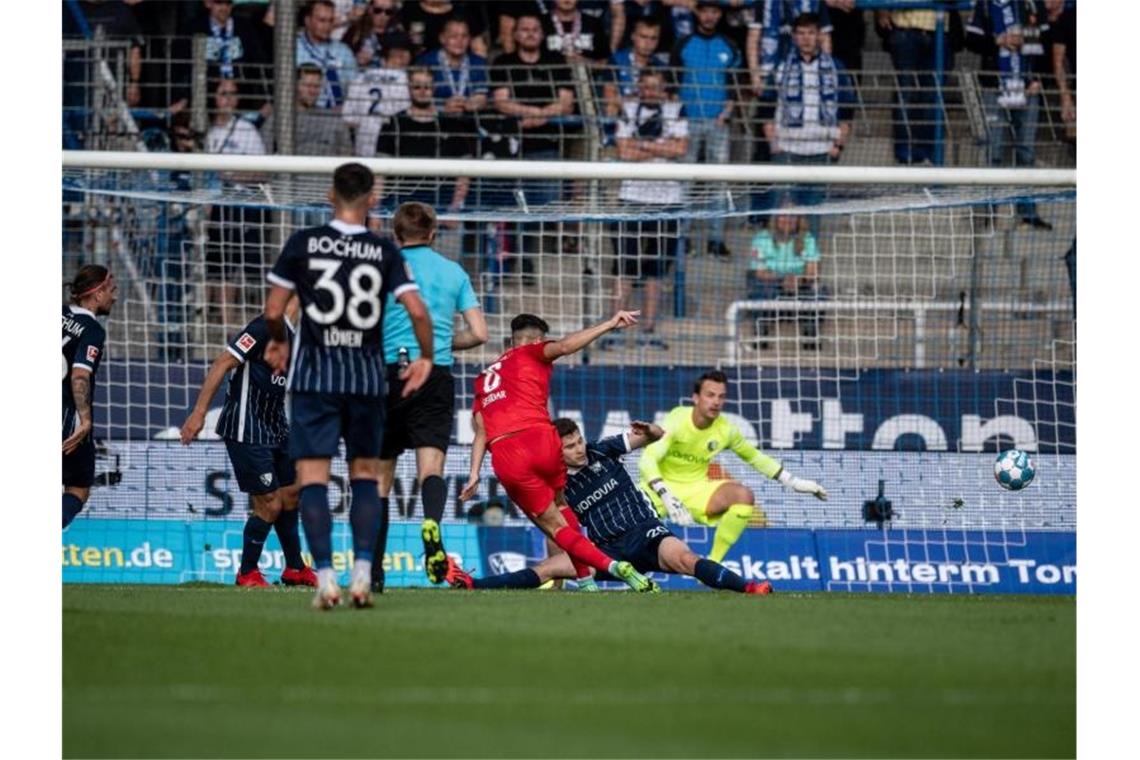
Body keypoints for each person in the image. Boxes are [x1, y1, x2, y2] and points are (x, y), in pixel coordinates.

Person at [262, 162, 435, 610]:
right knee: (365, 476)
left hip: (315, 379)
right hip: (364, 380)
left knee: (313, 478)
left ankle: (325, 579)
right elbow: (417, 311)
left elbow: (273, 312)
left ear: (329, 194)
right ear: (373, 197)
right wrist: (427, 359)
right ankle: (362, 573)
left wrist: (279, 343)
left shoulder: (303, 244)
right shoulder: (384, 251)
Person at [446, 419, 774, 594]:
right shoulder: (558, 485)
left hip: (646, 533)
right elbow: (555, 529)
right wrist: (563, 575)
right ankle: (472, 584)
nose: (579, 449)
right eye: (571, 447)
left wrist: (652, 431)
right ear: (557, 454)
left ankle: (748, 587)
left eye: (579, 441)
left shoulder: (603, 450)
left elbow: (654, 437)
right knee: (548, 568)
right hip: (606, 552)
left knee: (687, 558)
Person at [459, 312, 661, 593]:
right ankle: (587, 581)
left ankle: (613, 567)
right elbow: (566, 346)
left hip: (508, 451)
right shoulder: (533, 352)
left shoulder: (483, 379)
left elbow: (481, 431)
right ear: (539, 339)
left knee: (554, 528)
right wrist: (609, 323)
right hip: (544, 440)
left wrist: (473, 474)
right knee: (563, 509)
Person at [371, 202, 488, 592]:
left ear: (395, 234)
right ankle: (432, 523)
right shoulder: (453, 272)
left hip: (388, 373)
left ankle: (373, 571)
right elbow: (480, 333)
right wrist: (441, 343)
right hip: (434, 372)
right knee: (431, 470)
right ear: (434, 233)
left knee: (380, 479)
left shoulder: (382, 268)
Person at [179, 301, 318, 588]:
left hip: (277, 426)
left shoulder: (297, 334)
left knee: (290, 495)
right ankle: (247, 572)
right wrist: (198, 413)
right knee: (269, 503)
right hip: (247, 427)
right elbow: (223, 362)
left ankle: (294, 567)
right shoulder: (265, 326)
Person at [639, 370, 828, 563]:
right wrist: (665, 493)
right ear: (696, 398)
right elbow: (648, 459)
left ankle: (713, 563)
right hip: (657, 489)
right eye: (710, 395)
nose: (716, 402)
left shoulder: (725, 430)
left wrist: (793, 482)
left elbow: (754, 457)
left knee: (743, 496)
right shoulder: (677, 420)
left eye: (721, 396)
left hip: (697, 490)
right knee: (630, 533)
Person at [604, 67, 688, 351]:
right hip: (632, 198)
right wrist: (659, 148)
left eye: (656, 87)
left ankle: (649, 330)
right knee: (624, 266)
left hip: (668, 199)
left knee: (656, 270)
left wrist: (643, 148)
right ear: (640, 87)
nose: (651, 91)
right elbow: (623, 151)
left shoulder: (676, 109)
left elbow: (681, 149)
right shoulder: (628, 108)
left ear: (665, 89)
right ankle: (614, 329)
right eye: (646, 86)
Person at [763, 12, 854, 236]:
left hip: (821, 151)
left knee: (813, 216)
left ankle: (809, 270)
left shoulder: (836, 68)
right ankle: (778, 268)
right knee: (780, 214)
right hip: (787, 150)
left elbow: (847, 112)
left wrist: (837, 146)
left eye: (811, 33)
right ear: (793, 36)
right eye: (801, 33)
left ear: (819, 36)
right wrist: (774, 144)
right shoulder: (780, 68)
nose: (806, 38)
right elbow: (766, 109)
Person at [965, 0, 1053, 230]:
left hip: (1028, 88)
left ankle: (1028, 214)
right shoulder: (985, 4)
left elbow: (1045, 42)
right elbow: (971, 41)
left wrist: (1038, 79)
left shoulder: (1032, 4)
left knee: (1026, 151)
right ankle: (989, 213)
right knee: (992, 151)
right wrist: (998, 40)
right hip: (995, 88)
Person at [673, 0, 741, 259]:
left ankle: (716, 240)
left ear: (719, 14)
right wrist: (679, 119)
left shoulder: (729, 45)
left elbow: (735, 84)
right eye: (705, 11)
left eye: (714, 11)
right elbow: (673, 81)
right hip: (688, 122)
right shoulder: (683, 44)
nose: (709, 16)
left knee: (719, 182)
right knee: (685, 181)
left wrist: (726, 114)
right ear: (697, 12)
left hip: (718, 122)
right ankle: (683, 237)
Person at [374, 67, 477, 213]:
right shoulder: (394, 123)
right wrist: (376, 213)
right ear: (409, 88)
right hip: (398, 208)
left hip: (441, 210)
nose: (422, 91)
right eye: (417, 87)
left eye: (427, 87)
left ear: (434, 88)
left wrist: (455, 208)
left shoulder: (450, 124)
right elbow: (380, 172)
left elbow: (464, 171)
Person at [63, 266, 119, 528]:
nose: (115, 297)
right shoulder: (93, 331)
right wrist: (85, 421)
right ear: (97, 294)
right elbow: (79, 376)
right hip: (65, 421)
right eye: (112, 290)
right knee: (78, 488)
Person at [746, 207, 824, 350]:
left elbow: (813, 272)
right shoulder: (762, 238)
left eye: (792, 216)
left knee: (819, 293)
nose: (787, 220)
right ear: (775, 219)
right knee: (759, 288)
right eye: (783, 216)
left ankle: (810, 339)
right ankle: (760, 337)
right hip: (770, 283)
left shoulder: (807, 238)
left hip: (799, 285)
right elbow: (759, 272)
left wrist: (799, 279)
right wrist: (783, 279)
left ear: (799, 220)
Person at [342, 34, 414, 157]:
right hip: (391, 147)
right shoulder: (406, 80)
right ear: (403, 56)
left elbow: (349, 120)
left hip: (363, 146)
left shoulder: (360, 78)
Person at [261, 63, 354, 155]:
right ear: (294, 86)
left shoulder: (333, 120)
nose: (312, 91)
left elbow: (346, 154)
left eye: (316, 86)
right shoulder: (277, 120)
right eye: (307, 86)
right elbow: (265, 155)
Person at [414, 16, 491, 116]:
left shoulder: (478, 62)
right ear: (442, 38)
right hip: (434, 121)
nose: (459, 41)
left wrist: (466, 105)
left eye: (464, 36)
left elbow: (481, 97)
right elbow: (418, 97)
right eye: (453, 36)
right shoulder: (426, 61)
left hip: (470, 121)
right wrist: (442, 108)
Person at [296, 0, 359, 109]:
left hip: (339, 117)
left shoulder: (343, 51)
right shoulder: (293, 48)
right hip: (302, 114)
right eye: (322, 20)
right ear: (307, 21)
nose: (327, 26)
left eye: (330, 21)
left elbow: (356, 88)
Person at [602, 16, 670, 119]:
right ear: (633, 36)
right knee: (611, 108)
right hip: (623, 116)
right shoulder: (616, 61)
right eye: (643, 37)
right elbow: (609, 96)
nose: (648, 43)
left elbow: (667, 97)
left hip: (653, 118)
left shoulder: (661, 67)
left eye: (653, 38)